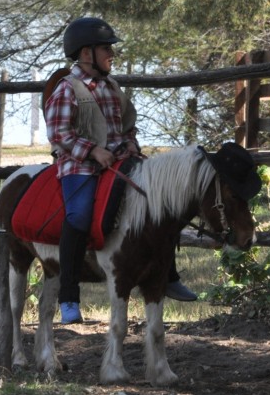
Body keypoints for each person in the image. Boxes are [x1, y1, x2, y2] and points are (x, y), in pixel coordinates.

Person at [45, 16, 197, 324]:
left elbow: (126, 126)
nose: (112, 54)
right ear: (85, 53)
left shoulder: (112, 86)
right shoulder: (67, 88)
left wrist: (130, 145)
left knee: (158, 202)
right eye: (106, 49)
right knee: (78, 216)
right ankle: (69, 296)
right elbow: (59, 134)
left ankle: (168, 276)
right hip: (80, 166)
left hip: (118, 161)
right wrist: (93, 151)